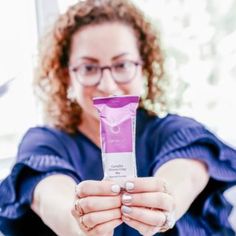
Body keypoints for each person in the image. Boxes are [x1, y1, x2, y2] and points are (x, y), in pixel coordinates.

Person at [0, 0, 236, 235]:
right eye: (89, 68)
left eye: (121, 64)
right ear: (66, 75)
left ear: (144, 67)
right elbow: (50, 198)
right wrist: (80, 225)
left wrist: (167, 201)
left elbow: (187, 176)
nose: (107, 84)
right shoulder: (44, 143)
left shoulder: (175, 131)